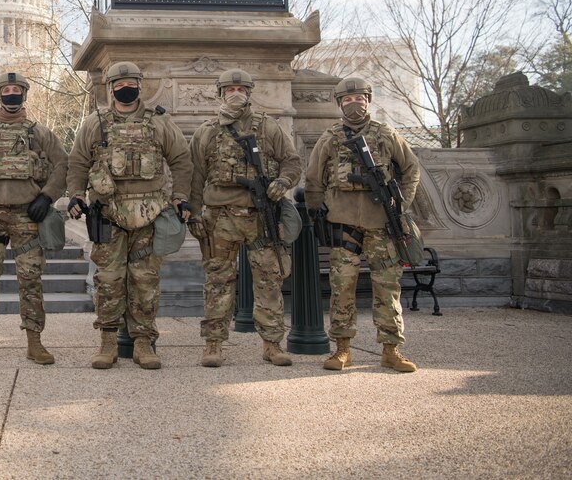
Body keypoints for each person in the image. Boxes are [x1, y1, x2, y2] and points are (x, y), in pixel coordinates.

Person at [67, 61, 193, 370]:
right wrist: (75, 195)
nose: (126, 87)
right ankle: (108, 341)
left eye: (131, 82)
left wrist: (181, 198)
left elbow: (181, 160)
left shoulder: (159, 123)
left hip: (149, 215)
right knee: (108, 280)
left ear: (140, 85)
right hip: (108, 215)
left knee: (145, 281)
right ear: (110, 88)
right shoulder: (95, 123)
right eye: (119, 83)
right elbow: (78, 162)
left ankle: (143, 342)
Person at [304, 75, 421, 372]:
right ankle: (342, 349)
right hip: (344, 223)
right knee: (342, 286)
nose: (353, 104)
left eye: (359, 99)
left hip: (382, 223)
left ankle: (391, 350)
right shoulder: (330, 137)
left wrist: (401, 205)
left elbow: (410, 169)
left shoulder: (386, 134)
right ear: (339, 103)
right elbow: (314, 179)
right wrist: (316, 213)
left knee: (387, 287)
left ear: (368, 101)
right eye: (347, 100)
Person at [188, 69, 302, 368]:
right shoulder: (207, 131)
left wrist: (283, 182)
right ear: (220, 93)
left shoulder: (268, 127)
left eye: (241, 88)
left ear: (249, 92)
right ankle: (213, 344)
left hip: (261, 216)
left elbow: (291, 162)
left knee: (269, 282)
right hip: (219, 218)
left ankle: (272, 344)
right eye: (229, 89)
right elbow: (195, 177)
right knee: (218, 281)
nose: (235, 93)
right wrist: (194, 213)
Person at [0, 71, 69, 366]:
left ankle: (35, 343)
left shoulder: (39, 133)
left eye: (16, 90)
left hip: (27, 216)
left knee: (30, 280)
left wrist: (47, 196)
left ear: (24, 94)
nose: (11, 95)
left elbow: (62, 165)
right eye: (6, 90)